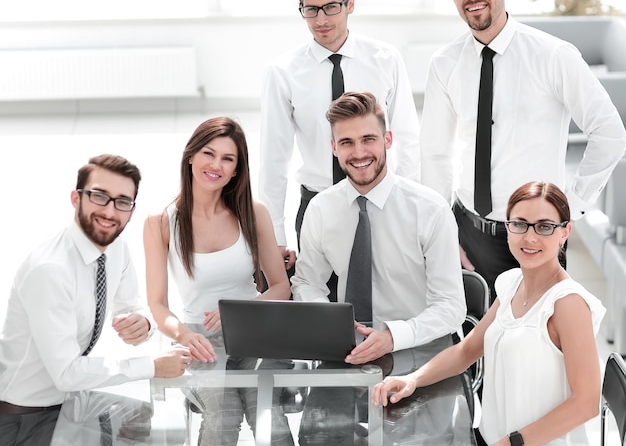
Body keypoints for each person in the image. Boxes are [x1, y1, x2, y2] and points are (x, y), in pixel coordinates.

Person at [420, 0, 626, 300]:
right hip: (467, 228)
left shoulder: (554, 55)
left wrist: (571, 206)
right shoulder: (444, 62)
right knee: (471, 344)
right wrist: (442, 235)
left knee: (537, 346)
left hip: (535, 234)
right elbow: (435, 155)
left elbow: (608, 132)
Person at [290, 91, 466, 444]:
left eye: (368, 139)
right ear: (334, 147)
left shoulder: (429, 210)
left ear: (387, 139)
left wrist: (393, 336)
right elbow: (307, 281)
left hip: (419, 358)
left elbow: (451, 308)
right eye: (347, 142)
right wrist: (331, 325)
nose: (359, 153)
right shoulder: (322, 209)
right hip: (346, 357)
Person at [373, 181, 606, 446]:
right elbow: (466, 351)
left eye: (544, 226)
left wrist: (510, 443)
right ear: (507, 228)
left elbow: (586, 403)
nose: (530, 238)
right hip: (491, 439)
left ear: (565, 232)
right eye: (519, 224)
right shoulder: (512, 283)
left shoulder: (568, 304)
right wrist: (412, 380)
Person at [0, 154, 190, 446]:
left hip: (69, 400)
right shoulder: (51, 270)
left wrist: (143, 323)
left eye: (122, 201)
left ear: (132, 209)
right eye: (100, 196)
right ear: (76, 198)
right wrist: (152, 365)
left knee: (151, 421)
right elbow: (67, 373)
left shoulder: (116, 248)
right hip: (24, 418)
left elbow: (132, 306)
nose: (110, 211)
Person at [259, 0, 421, 275]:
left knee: (384, 300)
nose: (320, 19)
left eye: (331, 7)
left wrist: (408, 209)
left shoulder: (385, 59)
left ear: (351, 3)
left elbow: (408, 138)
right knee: (321, 307)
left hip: (380, 201)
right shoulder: (283, 72)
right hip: (317, 204)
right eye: (310, 9)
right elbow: (273, 160)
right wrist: (275, 236)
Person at [143, 117, 294, 446]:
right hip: (202, 339)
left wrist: (237, 311)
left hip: (258, 330)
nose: (216, 165)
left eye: (228, 158)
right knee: (224, 415)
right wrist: (183, 334)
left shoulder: (253, 212)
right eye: (209, 154)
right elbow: (157, 304)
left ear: (238, 169)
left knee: (265, 411)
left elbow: (281, 287)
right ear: (191, 156)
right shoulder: (160, 223)